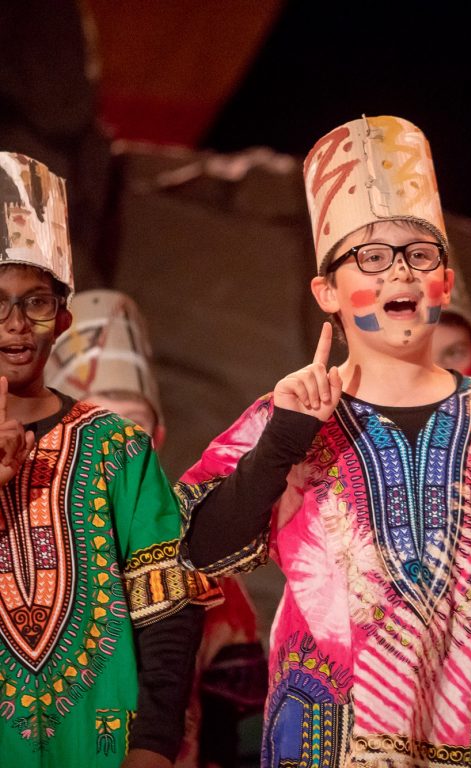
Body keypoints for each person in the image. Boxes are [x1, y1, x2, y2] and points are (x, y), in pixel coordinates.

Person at [176, 114, 471, 768]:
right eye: (372, 256)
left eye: (419, 254)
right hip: (327, 735)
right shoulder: (285, 413)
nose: (400, 272)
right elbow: (199, 552)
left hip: (465, 725)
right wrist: (285, 439)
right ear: (327, 290)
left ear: (445, 282)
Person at [0, 151, 217, 767]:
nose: (15, 324)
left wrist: (153, 745)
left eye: (35, 303)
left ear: (61, 319)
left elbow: (167, 608)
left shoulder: (117, 446)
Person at [45, 288, 267, 768]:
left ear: (157, 438)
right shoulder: (18, 547)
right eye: (91, 426)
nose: (113, 444)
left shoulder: (211, 574)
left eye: (132, 428)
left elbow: (240, 734)